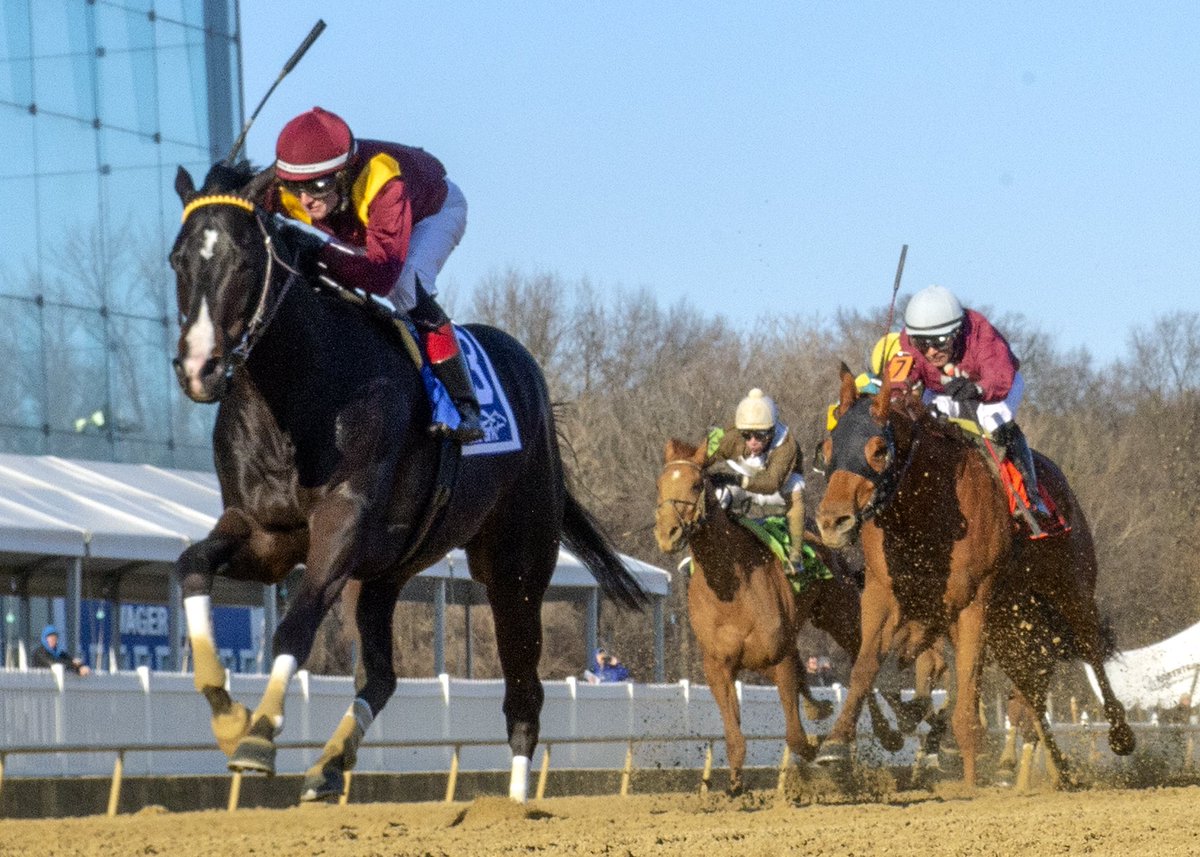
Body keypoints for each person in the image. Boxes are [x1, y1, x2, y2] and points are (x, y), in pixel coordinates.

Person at [266, 106, 482, 442]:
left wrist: (319, 251)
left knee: (406, 287)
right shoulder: (293, 183)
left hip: (433, 213)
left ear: (343, 173)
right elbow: (236, 203)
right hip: (364, 229)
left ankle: (463, 404)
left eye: (319, 185)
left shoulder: (384, 183)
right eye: (295, 188)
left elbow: (382, 275)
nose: (305, 201)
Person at [898, 284, 1053, 531]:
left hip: (995, 390)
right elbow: (899, 376)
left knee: (992, 423)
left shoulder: (980, 333)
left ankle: (1030, 498)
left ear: (957, 332)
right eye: (922, 343)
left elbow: (1000, 377)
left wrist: (977, 389)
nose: (930, 351)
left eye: (938, 342)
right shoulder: (909, 342)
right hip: (943, 390)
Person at [707, 388, 806, 563]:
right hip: (745, 479)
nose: (752, 441)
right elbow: (705, 456)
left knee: (796, 490)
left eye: (760, 435)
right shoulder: (732, 435)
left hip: (778, 489)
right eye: (746, 435)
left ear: (773, 431)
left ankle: (796, 555)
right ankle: (710, 549)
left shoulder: (786, 444)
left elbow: (771, 482)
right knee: (718, 495)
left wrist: (736, 479)